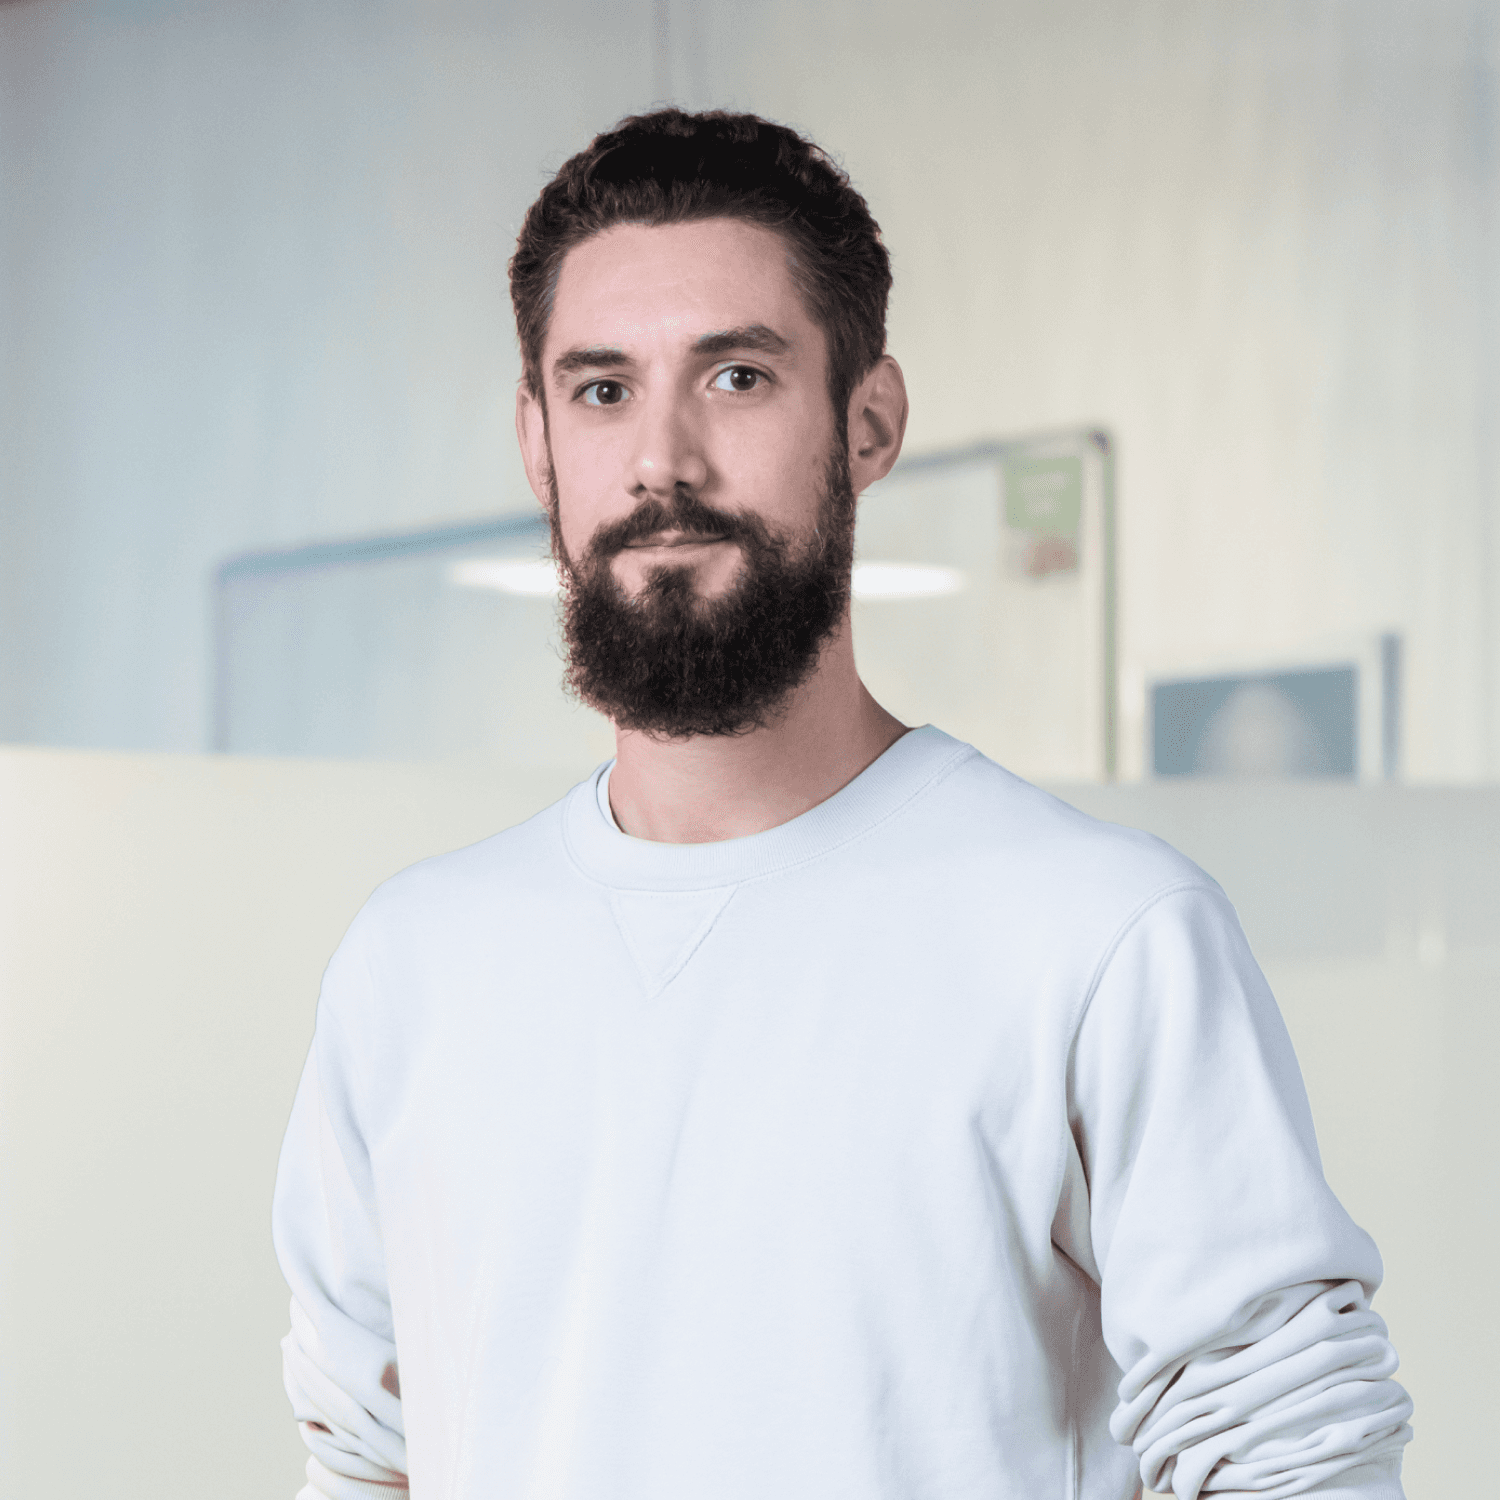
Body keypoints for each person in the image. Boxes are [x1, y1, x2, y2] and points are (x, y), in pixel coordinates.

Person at [272, 108, 1413, 1500]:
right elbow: (363, 1460)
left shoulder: (1098, 936)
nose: (662, 460)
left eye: (737, 376)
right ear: (536, 440)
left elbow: (1298, 1461)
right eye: (603, 389)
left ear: (868, 423)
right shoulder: (413, 965)